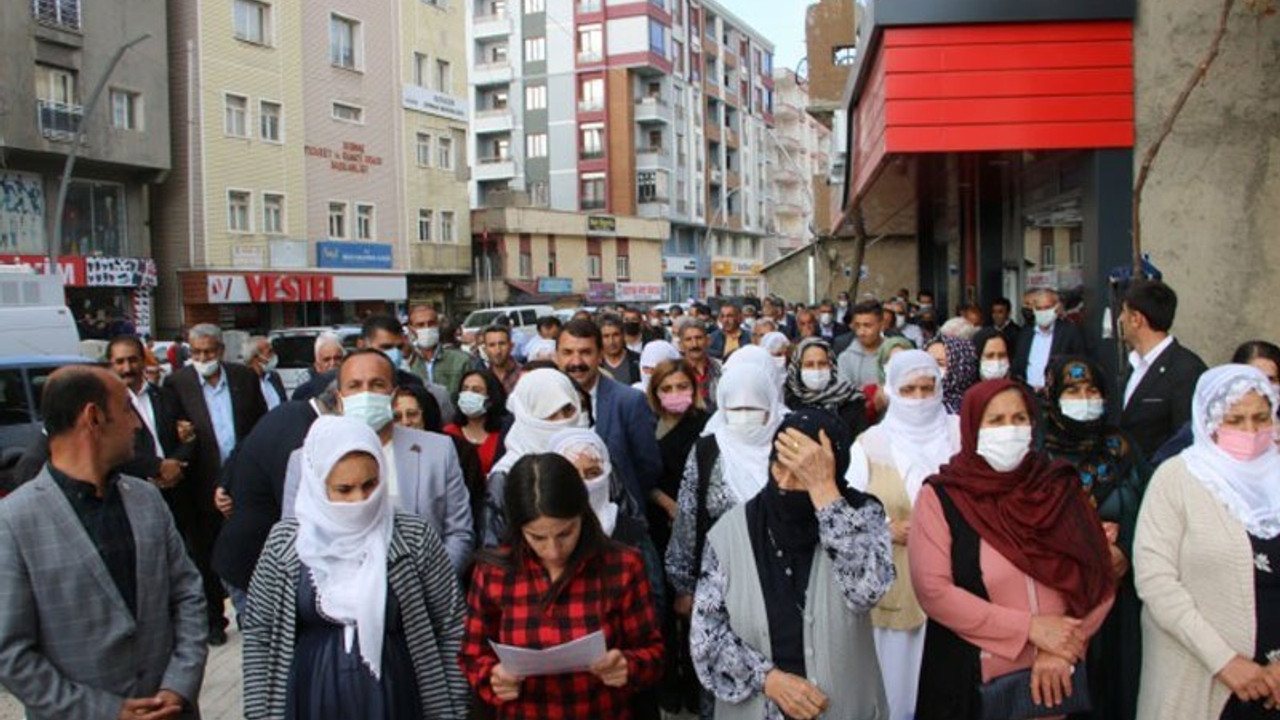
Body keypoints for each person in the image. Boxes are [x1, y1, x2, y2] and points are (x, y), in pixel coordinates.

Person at [0, 366, 208, 720]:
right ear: (93, 418)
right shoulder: (14, 521)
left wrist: (178, 686)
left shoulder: (147, 500)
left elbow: (188, 593)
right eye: (128, 409)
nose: (138, 425)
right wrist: (107, 711)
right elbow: (11, 654)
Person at [910, 379, 1117, 720]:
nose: (1010, 430)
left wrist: (1065, 648)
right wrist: (1030, 629)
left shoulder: (1059, 488)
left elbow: (1099, 574)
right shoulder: (943, 496)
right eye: (995, 421)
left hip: (1064, 682)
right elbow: (933, 591)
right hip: (971, 683)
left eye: (1019, 419)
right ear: (972, 427)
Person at [242, 416, 469, 719]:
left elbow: (451, 624)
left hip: (399, 693)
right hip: (311, 694)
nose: (360, 500)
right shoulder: (287, 543)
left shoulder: (412, 536)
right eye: (344, 489)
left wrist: (453, 707)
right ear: (317, 483)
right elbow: (259, 632)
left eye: (370, 485)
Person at [690, 409, 896, 720]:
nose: (785, 483)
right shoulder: (729, 533)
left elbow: (865, 591)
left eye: (801, 474)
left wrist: (824, 493)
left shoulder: (861, 517)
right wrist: (769, 680)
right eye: (778, 467)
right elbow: (706, 637)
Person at [460, 453, 665, 719]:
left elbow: (654, 652)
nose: (553, 550)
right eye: (538, 538)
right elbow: (472, 654)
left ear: (583, 515)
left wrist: (627, 666)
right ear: (519, 530)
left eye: (565, 533)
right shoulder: (493, 573)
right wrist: (493, 677)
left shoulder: (622, 566)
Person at [1133, 365, 1280, 720]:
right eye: (1235, 420)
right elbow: (1156, 581)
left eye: (1261, 418)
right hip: (1200, 678)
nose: (1251, 431)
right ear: (1209, 422)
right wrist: (1225, 661)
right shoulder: (1177, 479)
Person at [281, 350, 474, 573]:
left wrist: (430, 586)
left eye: (377, 384)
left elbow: (460, 533)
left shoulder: (438, 451)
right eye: (354, 385)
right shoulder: (305, 459)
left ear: (393, 396)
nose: (366, 393)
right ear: (340, 399)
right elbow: (295, 537)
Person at [846, 350, 960, 720]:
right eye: (908, 389)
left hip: (961, 585)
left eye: (928, 388)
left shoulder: (960, 434)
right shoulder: (870, 444)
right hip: (899, 592)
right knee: (898, 695)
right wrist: (885, 530)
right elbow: (846, 514)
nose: (919, 399)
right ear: (892, 391)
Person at [1041, 356, 1149, 720]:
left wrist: (1125, 549)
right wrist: (1086, 542)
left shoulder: (1123, 448)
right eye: (1072, 391)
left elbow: (1151, 507)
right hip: (1061, 600)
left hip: (1121, 601)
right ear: (1055, 395)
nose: (1084, 398)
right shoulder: (1037, 451)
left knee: (1120, 690)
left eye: (1092, 390)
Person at [665, 360, 789, 625]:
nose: (744, 417)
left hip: (784, 583)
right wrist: (684, 586)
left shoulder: (790, 446)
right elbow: (688, 517)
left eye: (753, 409)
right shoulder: (708, 450)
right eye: (736, 409)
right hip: (721, 586)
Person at [166, 323, 268, 645]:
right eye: (196, 353)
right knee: (206, 555)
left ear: (221, 351)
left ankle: (250, 612)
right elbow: (173, 429)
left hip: (242, 481)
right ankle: (214, 618)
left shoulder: (243, 378)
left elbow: (258, 428)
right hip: (201, 485)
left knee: (248, 549)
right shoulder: (178, 383)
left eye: (209, 352)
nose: (203, 358)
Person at [213, 392, 329, 620]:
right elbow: (298, 514)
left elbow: (242, 447)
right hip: (254, 568)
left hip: (244, 556)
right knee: (267, 649)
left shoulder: (288, 411)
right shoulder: (303, 439)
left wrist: (224, 484)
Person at [557, 319, 662, 512]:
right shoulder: (544, 403)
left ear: (600, 356)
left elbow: (648, 468)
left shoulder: (629, 402)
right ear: (557, 356)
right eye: (568, 352)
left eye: (586, 352)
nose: (576, 361)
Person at [484, 368, 591, 544]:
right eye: (549, 415)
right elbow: (495, 544)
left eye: (568, 410)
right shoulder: (504, 477)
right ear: (527, 416)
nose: (562, 421)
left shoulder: (592, 457)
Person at [1118, 280, 1207, 461]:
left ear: (1136, 319)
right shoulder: (1134, 366)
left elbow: (1186, 438)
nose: (1120, 319)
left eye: (1123, 312)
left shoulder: (1186, 370)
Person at [785, 336, 868, 437]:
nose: (817, 369)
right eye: (809, 365)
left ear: (831, 366)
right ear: (798, 368)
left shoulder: (849, 398)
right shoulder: (790, 401)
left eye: (822, 363)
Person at [1013, 288, 1087, 392]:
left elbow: (1080, 365)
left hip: (1056, 394)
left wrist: (1070, 388)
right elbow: (1018, 364)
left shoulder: (1070, 332)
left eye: (1047, 308)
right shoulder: (1025, 333)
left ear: (1057, 307)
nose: (1043, 312)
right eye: (1039, 308)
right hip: (1029, 393)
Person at [444, 369, 508, 478]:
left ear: (490, 397)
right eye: (465, 389)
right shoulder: (448, 433)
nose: (468, 394)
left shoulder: (505, 434)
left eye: (476, 390)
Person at [405, 305, 476, 397]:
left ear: (438, 325)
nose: (427, 328)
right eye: (420, 325)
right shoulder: (408, 363)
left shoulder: (461, 361)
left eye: (431, 323)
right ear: (411, 329)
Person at [837, 300, 886, 388]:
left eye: (867, 325)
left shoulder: (895, 353)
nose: (861, 332)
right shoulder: (845, 358)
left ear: (881, 325)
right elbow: (845, 394)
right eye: (857, 326)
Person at [927, 335, 979, 415]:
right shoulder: (916, 402)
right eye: (928, 363)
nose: (931, 369)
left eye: (940, 363)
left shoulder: (973, 409)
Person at [679, 319, 722, 409]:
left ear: (708, 341)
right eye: (688, 340)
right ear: (681, 345)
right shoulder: (674, 371)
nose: (694, 344)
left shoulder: (721, 368)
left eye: (699, 338)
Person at [244, 336, 287, 411]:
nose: (274, 355)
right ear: (255, 357)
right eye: (269, 352)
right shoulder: (243, 381)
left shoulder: (274, 377)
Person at [601, 315, 643, 386]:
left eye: (616, 335)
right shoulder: (595, 363)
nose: (611, 341)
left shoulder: (638, 361)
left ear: (623, 335)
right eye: (606, 336)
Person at [481, 325, 523, 395]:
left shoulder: (524, 376)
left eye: (502, 344)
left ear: (511, 346)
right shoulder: (482, 379)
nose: (498, 351)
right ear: (485, 350)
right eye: (492, 345)